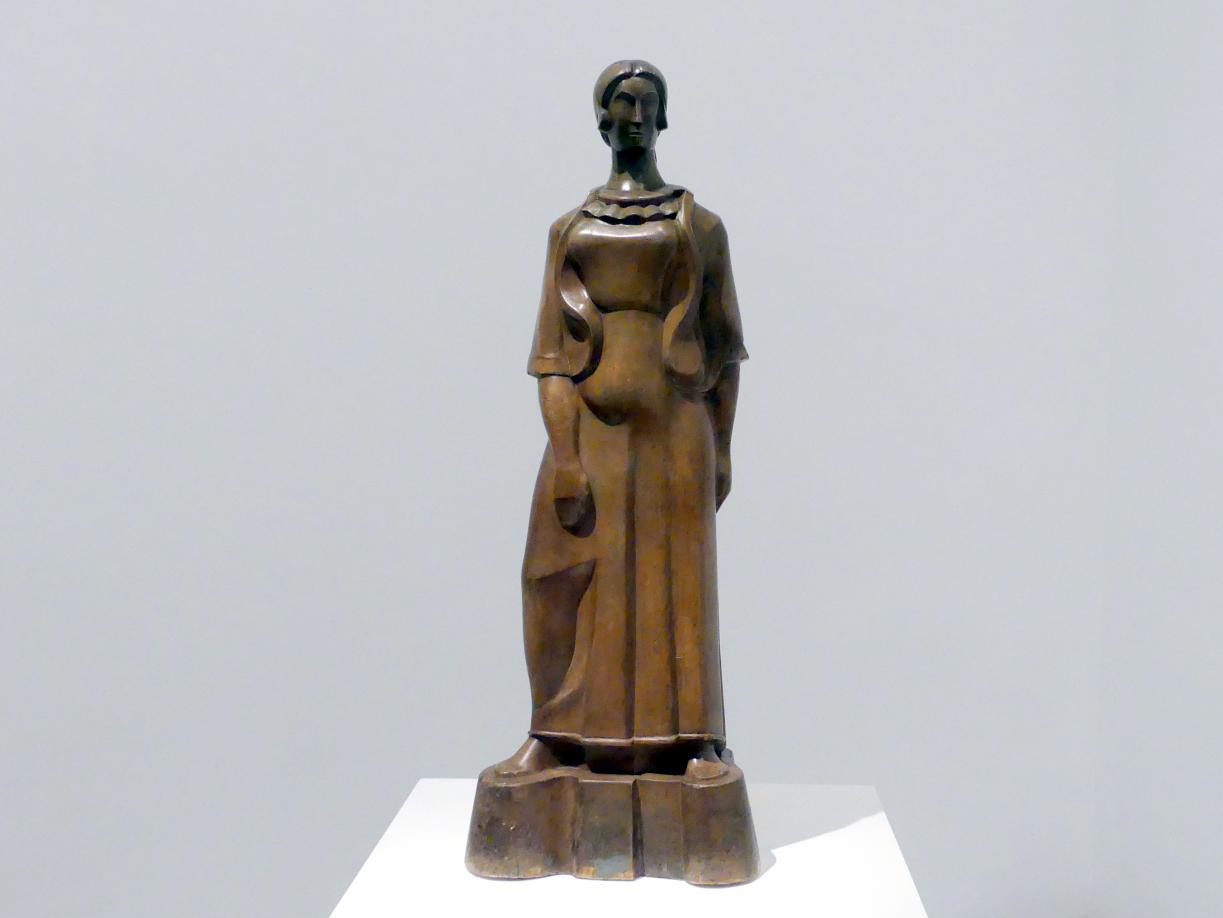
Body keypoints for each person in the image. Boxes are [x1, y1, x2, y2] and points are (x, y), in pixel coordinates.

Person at [495, 60, 747, 780]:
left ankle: (695, 739)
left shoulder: (699, 226)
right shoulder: (569, 230)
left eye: (646, 103)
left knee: (676, 579)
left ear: (663, 119)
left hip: (676, 424)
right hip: (589, 423)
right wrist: (565, 454)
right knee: (556, 573)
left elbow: (725, 351)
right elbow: (551, 358)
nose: (634, 116)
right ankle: (555, 731)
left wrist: (723, 448)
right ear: (599, 118)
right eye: (621, 102)